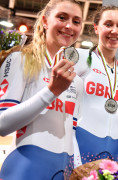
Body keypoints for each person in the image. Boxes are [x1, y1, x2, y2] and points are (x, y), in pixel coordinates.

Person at [0, 0, 83, 179]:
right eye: (62, 18)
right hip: (25, 169)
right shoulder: (20, 60)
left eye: (76, 21)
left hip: (63, 172)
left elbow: (71, 132)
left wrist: (80, 169)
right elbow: (2, 124)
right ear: (45, 21)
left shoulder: (76, 80)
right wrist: (52, 91)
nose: (69, 26)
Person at [74, 5, 118, 166]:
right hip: (82, 146)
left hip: (115, 150)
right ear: (96, 28)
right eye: (108, 24)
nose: (114, 31)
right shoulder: (80, 58)